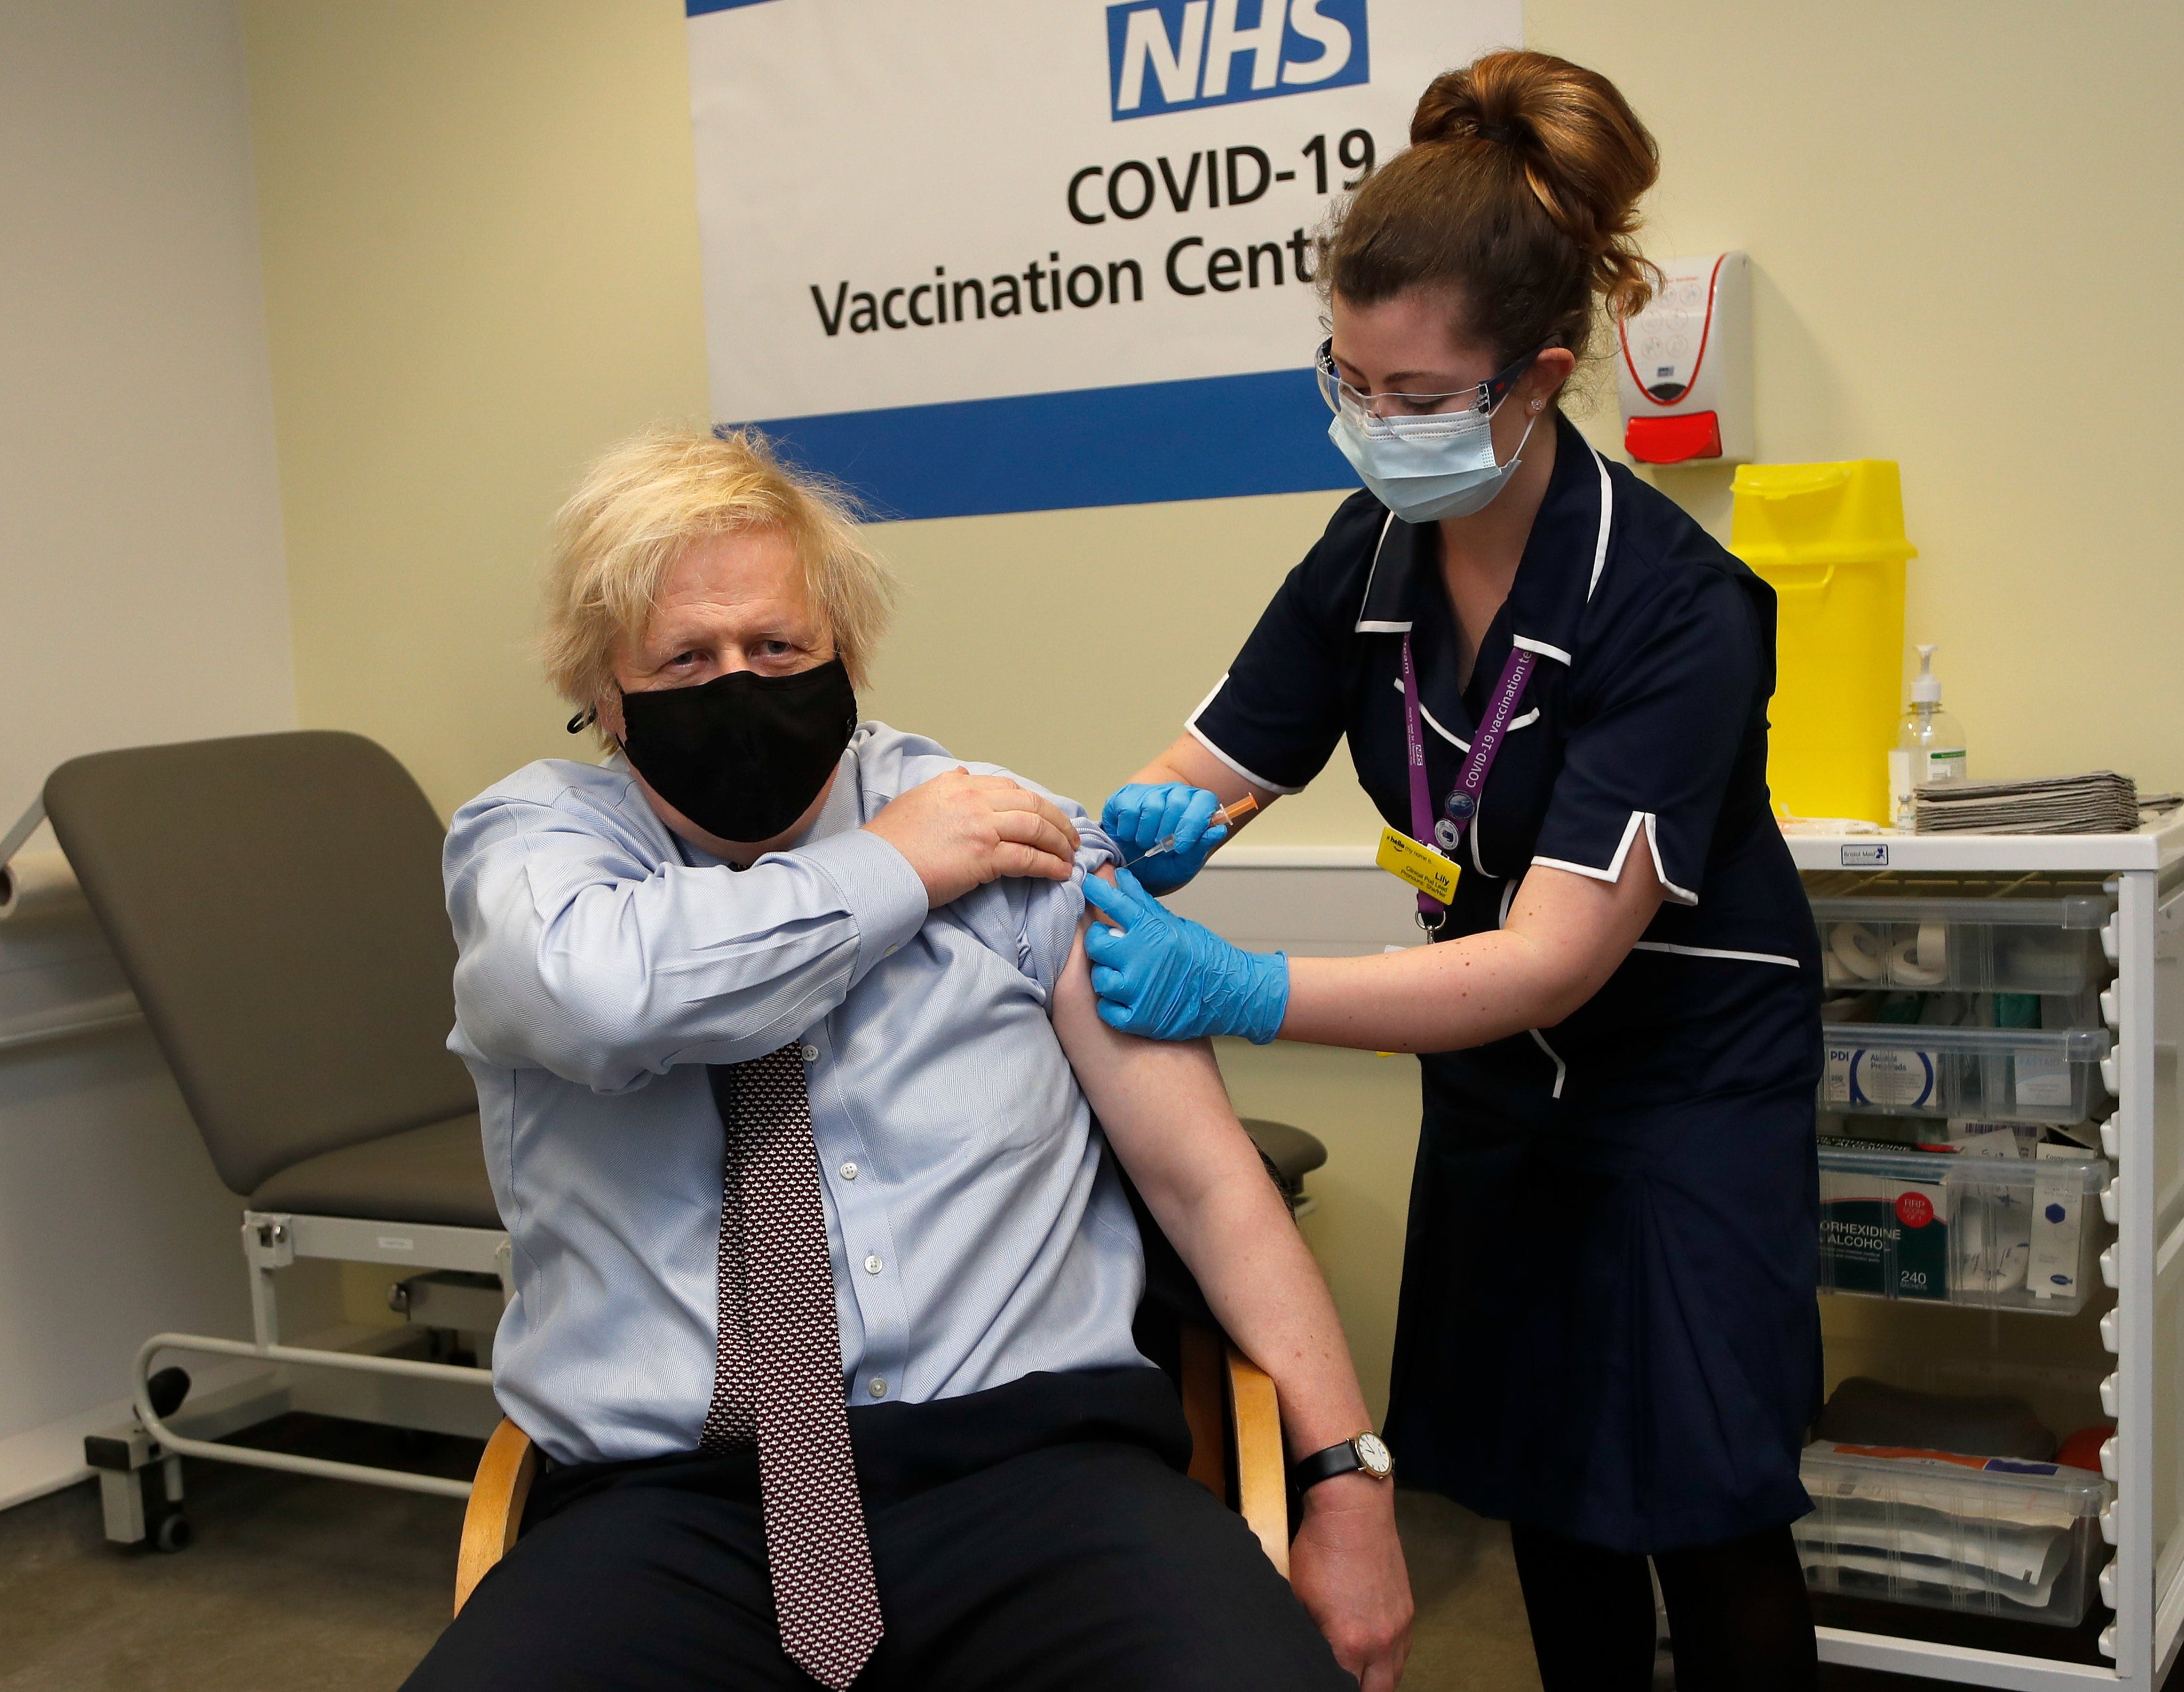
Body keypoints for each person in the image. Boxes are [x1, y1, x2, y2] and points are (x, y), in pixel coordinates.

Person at [406, 426, 1412, 1692]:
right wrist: (890, 871)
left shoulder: (1003, 830)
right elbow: (595, 996)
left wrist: (1346, 1485)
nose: (739, 683)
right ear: (602, 695)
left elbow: (1205, 1183)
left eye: (777, 647)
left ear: (848, 652)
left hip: (1042, 1479)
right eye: (685, 658)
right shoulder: (536, 848)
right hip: (668, 1507)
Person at [1083, 50, 1824, 1692]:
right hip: (1499, 1084)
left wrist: (1248, 987)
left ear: (1537, 375)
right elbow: (1210, 758)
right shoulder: (1364, 555)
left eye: (1418, 399)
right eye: (1348, 379)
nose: (1374, 423)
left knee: (1701, 1506)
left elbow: (1557, 952)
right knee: (1544, 1475)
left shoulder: (1673, 606)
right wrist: (1131, 823)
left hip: (1679, 1080)